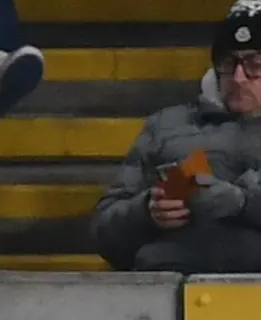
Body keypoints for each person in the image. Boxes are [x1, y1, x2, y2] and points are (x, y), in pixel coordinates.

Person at [91, 0, 261, 274]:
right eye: (228, 63)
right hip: (169, 287)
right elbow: (103, 232)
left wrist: (244, 204)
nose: (239, 78)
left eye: (255, 64)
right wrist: (147, 212)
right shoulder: (165, 126)